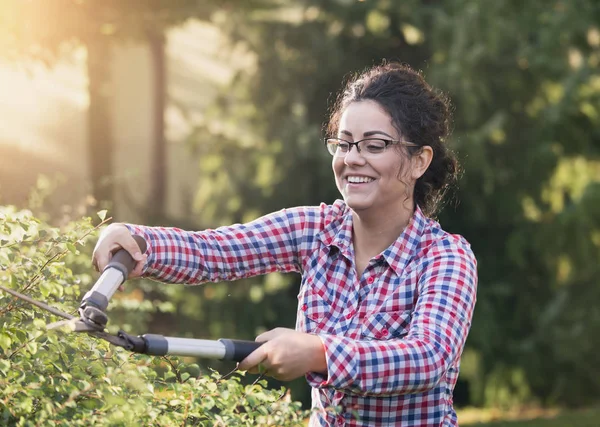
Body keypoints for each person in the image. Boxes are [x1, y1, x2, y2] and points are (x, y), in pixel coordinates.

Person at [93, 62, 477, 427]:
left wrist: (318, 352)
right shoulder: (314, 230)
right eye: (343, 145)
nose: (352, 159)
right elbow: (216, 251)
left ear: (418, 161)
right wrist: (139, 241)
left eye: (374, 145)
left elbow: (427, 357)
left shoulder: (444, 257)